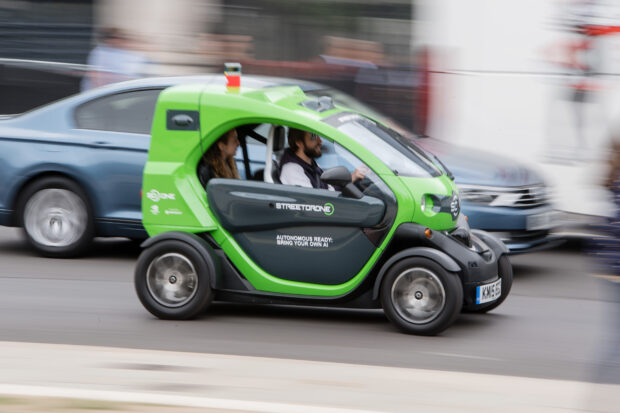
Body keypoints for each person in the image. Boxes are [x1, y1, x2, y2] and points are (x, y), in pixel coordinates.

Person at [279, 128, 365, 189]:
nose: (320, 141)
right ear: (299, 143)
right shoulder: (292, 170)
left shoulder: (312, 165)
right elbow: (314, 202)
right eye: (313, 137)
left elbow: (329, 189)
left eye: (318, 136)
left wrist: (353, 177)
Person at [81, 27, 151, 91]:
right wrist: (101, 90)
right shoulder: (101, 52)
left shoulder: (126, 53)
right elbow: (95, 75)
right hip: (101, 92)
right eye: (115, 38)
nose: (119, 41)